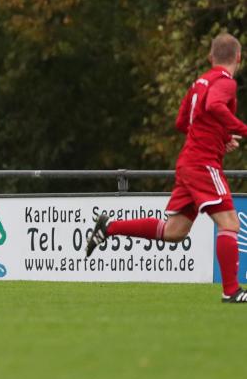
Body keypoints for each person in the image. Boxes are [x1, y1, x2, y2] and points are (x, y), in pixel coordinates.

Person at [85, 32, 247, 303]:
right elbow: (214, 105)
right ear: (238, 57)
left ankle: (109, 228)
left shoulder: (199, 83)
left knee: (174, 231)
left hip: (188, 162)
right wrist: (241, 129)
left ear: (210, 57)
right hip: (203, 163)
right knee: (230, 223)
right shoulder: (225, 82)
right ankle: (231, 291)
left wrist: (220, 136)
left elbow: (182, 122)